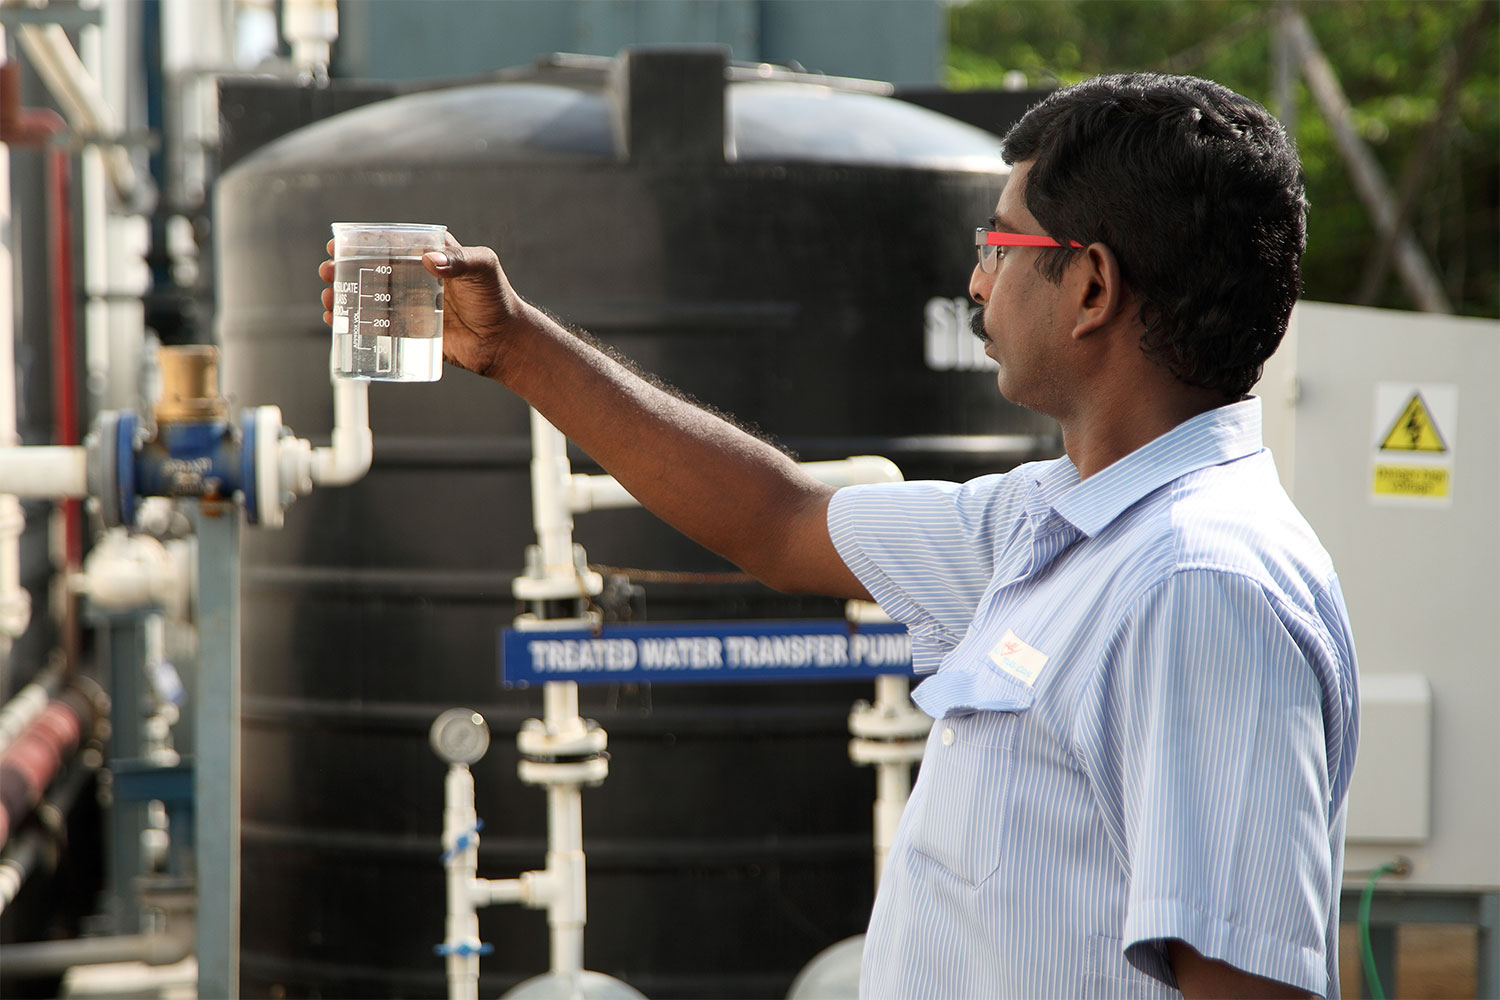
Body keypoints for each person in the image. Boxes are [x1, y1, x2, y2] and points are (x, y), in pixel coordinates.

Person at [322, 72, 1358, 999]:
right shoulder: (1049, 526)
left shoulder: (1199, 584)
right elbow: (780, 520)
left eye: (999, 246)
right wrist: (515, 349)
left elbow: (1247, 986)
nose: (976, 283)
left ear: (1091, 286)